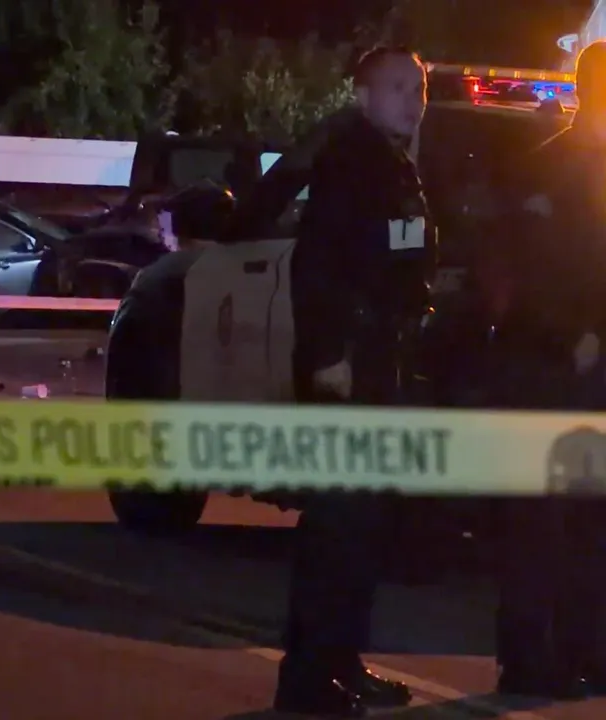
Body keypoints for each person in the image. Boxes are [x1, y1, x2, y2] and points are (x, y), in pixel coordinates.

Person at [274, 46, 435, 717]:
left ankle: (342, 665)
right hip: (347, 370)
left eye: (417, 88)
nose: (412, 100)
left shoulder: (394, 165)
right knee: (336, 530)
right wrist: (329, 355)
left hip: (380, 364)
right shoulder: (349, 163)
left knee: (364, 531)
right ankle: (308, 681)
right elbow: (317, 267)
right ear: (363, 96)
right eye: (397, 87)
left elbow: (402, 262)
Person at [487, 39, 606, 700]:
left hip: (589, 364)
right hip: (549, 367)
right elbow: (524, 274)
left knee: (591, 522)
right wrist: (570, 335)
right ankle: (530, 658)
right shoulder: (546, 168)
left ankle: (586, 651)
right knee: (542, 523)